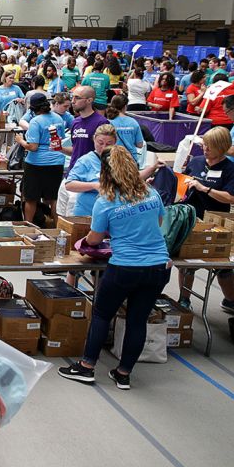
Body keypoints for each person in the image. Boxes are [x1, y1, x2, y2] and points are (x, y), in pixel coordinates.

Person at [58, 146, 170, 390]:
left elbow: (95, 239)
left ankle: (87, 367)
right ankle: (123, 373)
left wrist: (86, 241)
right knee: (137, 320)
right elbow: (158, 223)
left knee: (101, 314)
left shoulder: (106, 201)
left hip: (125, 267)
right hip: (157, 266)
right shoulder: (151, 193)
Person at [176, 127, 234, 317]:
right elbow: (182, 185)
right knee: (187, 264)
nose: (205, 149)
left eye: (209, 146)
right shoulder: (196, 161)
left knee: (223, 266)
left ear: (221, 147)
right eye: (204, 145)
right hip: (192, 220)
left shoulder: (229, 169)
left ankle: (231, 301)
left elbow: (232, 198)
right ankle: (184, 300)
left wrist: (205, 189)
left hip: (216, 223)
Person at [17, 93, 68, 225]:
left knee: (31, 198)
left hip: (36, 163)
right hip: (56, 161)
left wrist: (21, 141)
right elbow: (60, 140)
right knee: (53, 198)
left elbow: (33, 147)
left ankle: (28, 226)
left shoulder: (36, 121)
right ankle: (58, 227)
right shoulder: (58, 119)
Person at [64, 124, 118, 218]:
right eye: (100, 143)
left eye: (109, 144)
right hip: (87, 212)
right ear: (94, 139)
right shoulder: (85, 160)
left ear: (115, 142)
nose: (104, 147)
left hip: (112, 212)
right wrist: (94, 185)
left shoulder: (119, 159)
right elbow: (69, 185)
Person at [67, 85, 107, 174]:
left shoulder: (101, 122)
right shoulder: (75, 122)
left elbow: (106, 152)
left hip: (92, 173)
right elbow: (76, 150)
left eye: (77, 98)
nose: (73, 101)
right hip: (74, 171)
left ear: (89, 100)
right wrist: (60, 148)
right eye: (72, 97)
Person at [104, 94, 145, 159]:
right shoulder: (133, 122)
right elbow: (140, 145)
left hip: (113, 158)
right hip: (131, 159)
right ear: (125, 106)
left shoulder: (107, 122)